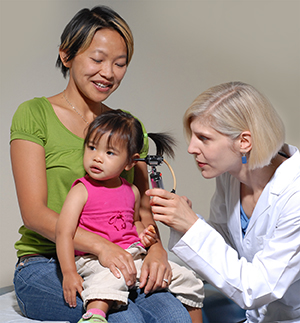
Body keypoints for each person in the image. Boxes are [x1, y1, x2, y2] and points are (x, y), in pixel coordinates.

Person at [10, 6, 193, 323]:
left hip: (120, 257)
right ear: (67, 56)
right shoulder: (34, 114)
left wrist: (156, 251)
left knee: (173, 315)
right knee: (126, 318)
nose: (108, 73)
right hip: (46, 261)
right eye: (97, 60)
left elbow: (141, 211)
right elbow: (35, 213)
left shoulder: (127, 127)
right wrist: (101, 246)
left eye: (119, 64)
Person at [147, 81, 300, 323]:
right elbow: (225, 240)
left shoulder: (296, 195)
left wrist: (191, 227)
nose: (190, 148)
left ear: (244, 142)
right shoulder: (233, 174)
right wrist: (185, 221)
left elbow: (257, 288)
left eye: (204, 138)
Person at [56, 110, 204, 323]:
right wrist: (69, 272)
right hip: (94, 259)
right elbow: (64, 232)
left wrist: (146, 236)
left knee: (185, 277)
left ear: (130, 162)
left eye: (110, 153)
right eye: (92, 147)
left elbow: (134, 223)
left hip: (132, 256)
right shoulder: (81, 189)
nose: (97, 157)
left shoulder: (132, 191)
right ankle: (94, 317)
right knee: (109, 279)